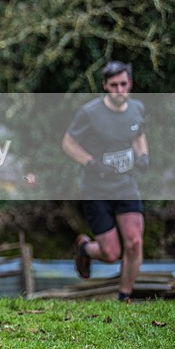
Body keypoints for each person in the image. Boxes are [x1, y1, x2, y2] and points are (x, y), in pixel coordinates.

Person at [62, 61, 149, 301]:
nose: (119, 90)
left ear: (130, 84)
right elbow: (68, 143)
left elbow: (139, 135)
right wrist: (91, 163)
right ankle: (85, 248)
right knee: (111, 253)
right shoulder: (89, 113)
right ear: (105, 86)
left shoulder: (137, 108)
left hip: (126, 186)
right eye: (114, 85)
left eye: (123, 84)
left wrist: (143, 155)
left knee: (134, 242)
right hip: (96, 190)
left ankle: (124, 296)